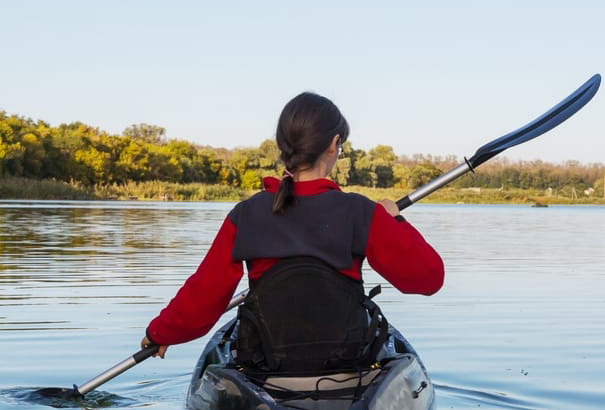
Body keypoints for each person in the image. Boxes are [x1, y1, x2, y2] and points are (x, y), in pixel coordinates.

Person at [141, 92, 444, 372]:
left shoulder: (246, 215)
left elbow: (204, 295)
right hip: (345, 363)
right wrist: (395, 221)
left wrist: (160, 332)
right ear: (333, 143)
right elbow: (429, 278)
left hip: (268, 363)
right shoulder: (361, 212)